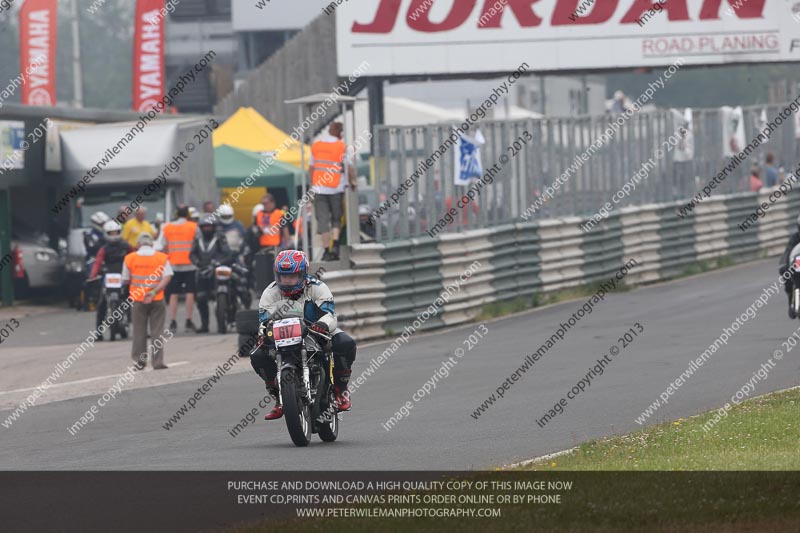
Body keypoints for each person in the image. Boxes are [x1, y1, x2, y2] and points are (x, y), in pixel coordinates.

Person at [252, 250, 356, 420]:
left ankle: (341, 390)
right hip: (283, 335)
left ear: (302, 274)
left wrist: (322, 325)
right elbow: (264, 321)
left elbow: (330, 314)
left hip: (316, 330)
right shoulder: (269, 293)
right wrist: (264, 333)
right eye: (282, 276)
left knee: (345, 342)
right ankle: (279, 397)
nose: (286, 281)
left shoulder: (318, 287)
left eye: (291, 276)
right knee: (258, 354)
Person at [122, 232, 174, 370]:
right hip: (156, 298)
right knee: (157, 331)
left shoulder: (129, 258)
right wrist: (153, 291)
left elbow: (126, 279)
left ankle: (139, 362)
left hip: (138, 300)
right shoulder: (161, 257)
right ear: (152, 244)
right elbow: (167, 277)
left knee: (139, 331)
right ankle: (157, 362)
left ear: (138, 244)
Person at [309, 122, 357, 261]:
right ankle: (335, 245)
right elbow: (348, 168)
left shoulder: (316, 146)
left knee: (323, 220)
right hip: (336, 187)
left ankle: (325, 250)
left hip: (319, 188)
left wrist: (312, 185)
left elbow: (311, 168)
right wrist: (353, 182)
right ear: (340, 133)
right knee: (336, 217)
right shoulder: (342, 147)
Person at [157, 205, 199, 333]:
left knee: (173, 294)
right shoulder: (193, 227)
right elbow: (199, 244)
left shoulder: (167, 227)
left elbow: (162, 245)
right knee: (190, 293)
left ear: (176, 214)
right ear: (187, 215)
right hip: (190, 264)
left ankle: (173, 322)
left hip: (173, 265)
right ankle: (188, 320)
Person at [89, 220, 135, 337]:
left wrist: (135, 271)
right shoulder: (104, 249)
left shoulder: (126, 246)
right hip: (108, 276)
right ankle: (98, 332)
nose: (114, 235)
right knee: (102, 303)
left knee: (131, 300)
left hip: (124, 276)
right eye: (111, 233)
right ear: (106, 234)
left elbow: (134, 258)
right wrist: (93, 275)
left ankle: (131, 322)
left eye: (116, 232)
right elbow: (97, 262)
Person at [190, 215, 233, 334]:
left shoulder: (220, 237)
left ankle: (226, 318)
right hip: (202, 270)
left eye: (209, 226)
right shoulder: (197, 238)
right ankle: (204, 325)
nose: (207, 229)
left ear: (214, 227)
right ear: (201, 227)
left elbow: (228, 253)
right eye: (205, 227)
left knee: (227, 289)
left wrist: (219, 262)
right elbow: (192, 254)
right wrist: (197, 262)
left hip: (217, 270)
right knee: (200, 298)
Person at [780, 214, 800, 318]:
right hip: (798, 268)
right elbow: (788, 252)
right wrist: (785, 264)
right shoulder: (795, 238)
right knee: (785, 272)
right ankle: (791, 299)